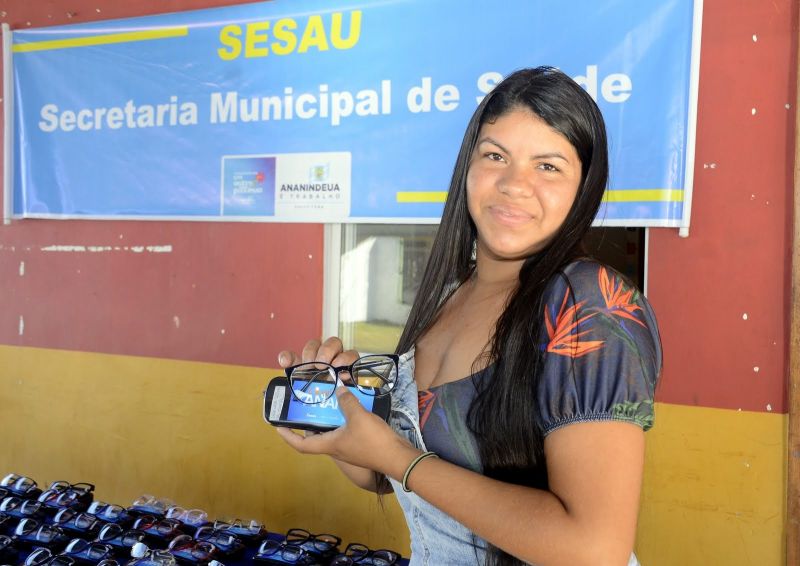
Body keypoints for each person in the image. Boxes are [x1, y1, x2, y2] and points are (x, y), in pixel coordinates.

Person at [276, 66, 662, 566]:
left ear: (584, 186)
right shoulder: (449, 295)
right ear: (468, 166)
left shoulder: (589, 304)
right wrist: (344, 420)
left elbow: (592, 549)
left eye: (548, 166)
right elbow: (399, 479)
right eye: (495, 156)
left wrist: (397, 458)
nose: (513, 184)